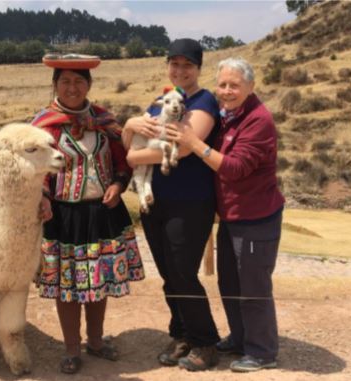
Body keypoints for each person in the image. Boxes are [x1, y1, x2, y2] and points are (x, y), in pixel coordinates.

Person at [166, 57, 285, 372]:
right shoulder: (228, 114)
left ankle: (262, 351)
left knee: (253, 287)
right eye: (222, 84)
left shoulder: (258, 120)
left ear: (250, 86)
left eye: (235, 85)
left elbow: (235, 169)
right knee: (230, 283)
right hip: (233, 216)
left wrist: (194, 144)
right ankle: (241, 338)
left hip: (256, 218)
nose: (227, 91)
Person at [32, 54, 145, 374]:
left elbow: (124, 161)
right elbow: (36, 167)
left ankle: (95, 341)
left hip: (102, 213)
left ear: (89, 85)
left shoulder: (104, 120)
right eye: (65, 81)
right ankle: (71, 348)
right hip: (64, 217)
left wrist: (119, 184)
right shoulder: (43, 125)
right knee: (68, 286)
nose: (72, 87)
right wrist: (42, 194)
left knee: (99, 281)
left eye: (79, 81)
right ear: (54, 85)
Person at [122, 38, 221, 371]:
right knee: (168, 273)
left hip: (190, 202)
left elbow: (184, 148)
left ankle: (205, 342)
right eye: (175, 64)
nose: (180, 70)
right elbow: (133, 137)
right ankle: (181, 334)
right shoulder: (159, 101)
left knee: (182, 272)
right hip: (157, 202)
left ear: (198, 69)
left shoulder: (204, 101)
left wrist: (133, 155)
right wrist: (128, 126)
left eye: (187, 65)